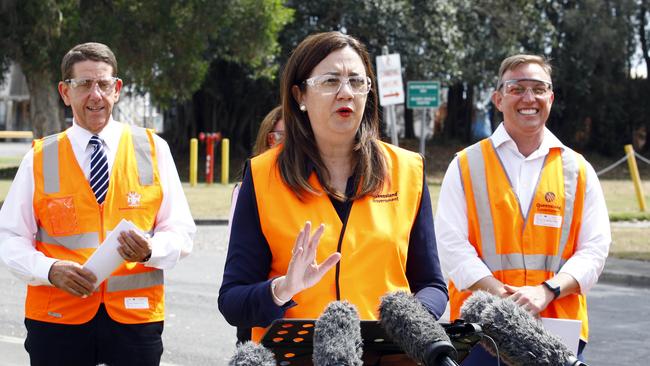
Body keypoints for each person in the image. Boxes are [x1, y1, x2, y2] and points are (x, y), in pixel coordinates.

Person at [218, 31, 448, 353]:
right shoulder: (261, 175)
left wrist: (409, 322)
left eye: (357, 81)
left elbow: (432, 286)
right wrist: (283, 290)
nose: (346, 93)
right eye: (330, 81)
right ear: (299, 95)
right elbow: (232, 301)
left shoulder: (409, 170)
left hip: (386, 356)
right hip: (294, 357)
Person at [0, 42, 196, 366]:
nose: (96, 95)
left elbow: (181, 230)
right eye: (84, 84)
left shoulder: (153, 148)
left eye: (104, 84)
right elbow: (8, 237)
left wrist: (150, 249)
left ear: (116, 89)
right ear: (65, 92)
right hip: (57, 319)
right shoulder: (39, 157)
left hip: (135, 320)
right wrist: (49, 269)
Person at [435, 54, 610, 364]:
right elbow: (451, 245)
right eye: (517, 88)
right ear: (498, 99)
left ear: (551, 98)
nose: (529, 97)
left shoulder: (578, 170)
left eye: (539, 88)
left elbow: (595, 249)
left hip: (558, 333)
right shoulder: (465, 165)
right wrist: (504, 299)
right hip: (480, 332)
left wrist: (546, 291)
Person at [227, 105, 284, 343]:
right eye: (277, 137)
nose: (284, 145)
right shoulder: (248, 188)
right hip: (257, 301)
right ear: (266, 139)